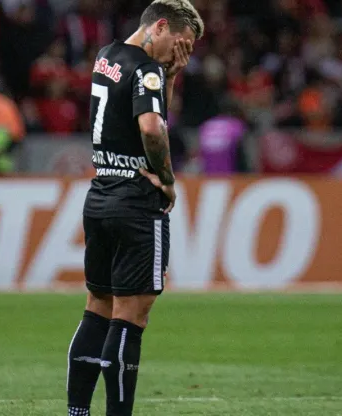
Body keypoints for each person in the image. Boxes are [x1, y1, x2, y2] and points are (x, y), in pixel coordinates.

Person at [66, 1, 204, 415]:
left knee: (98, 306)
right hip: (136, 205)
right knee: (132, 314)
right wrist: (166, 177)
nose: (181, 54)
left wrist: (172, 76)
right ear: (160, 27)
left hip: (102, 195)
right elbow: (152, 130)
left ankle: (77, 411)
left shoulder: (106, 56)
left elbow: (153, 116)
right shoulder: (146, 69)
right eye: (181, 45)